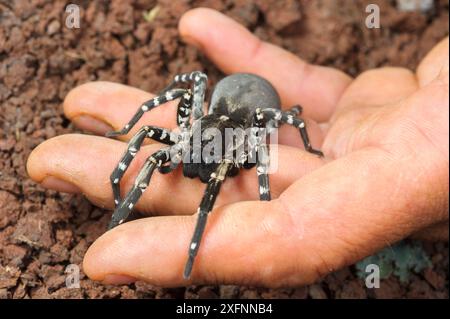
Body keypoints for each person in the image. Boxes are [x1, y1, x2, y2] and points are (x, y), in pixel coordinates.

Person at [27, 8, 448, 287]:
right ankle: (119, 214)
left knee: (253, 133)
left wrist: (268, 189)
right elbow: (163, 105)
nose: (189, 161)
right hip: (219, 107)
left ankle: (194, 244)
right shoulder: (189, 126)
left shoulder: (245, 139)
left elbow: (279, 126)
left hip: (251, 108)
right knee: (158, 137)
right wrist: (127, 141)